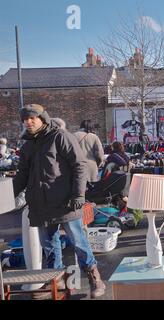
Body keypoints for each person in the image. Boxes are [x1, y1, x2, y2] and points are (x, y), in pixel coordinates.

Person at [12, 104, 106, 299]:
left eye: (32, 118)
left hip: (65, 202)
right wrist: (7, 195)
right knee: (50, 245)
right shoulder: (28, 145)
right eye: (25, 120)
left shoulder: (60, 137)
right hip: (40, 205)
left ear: (42, 119)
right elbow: (22, 175)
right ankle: (56, 281)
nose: (28, 122)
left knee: (78, 241)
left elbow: (79, 165)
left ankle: (95, 278)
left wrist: (78, 195)